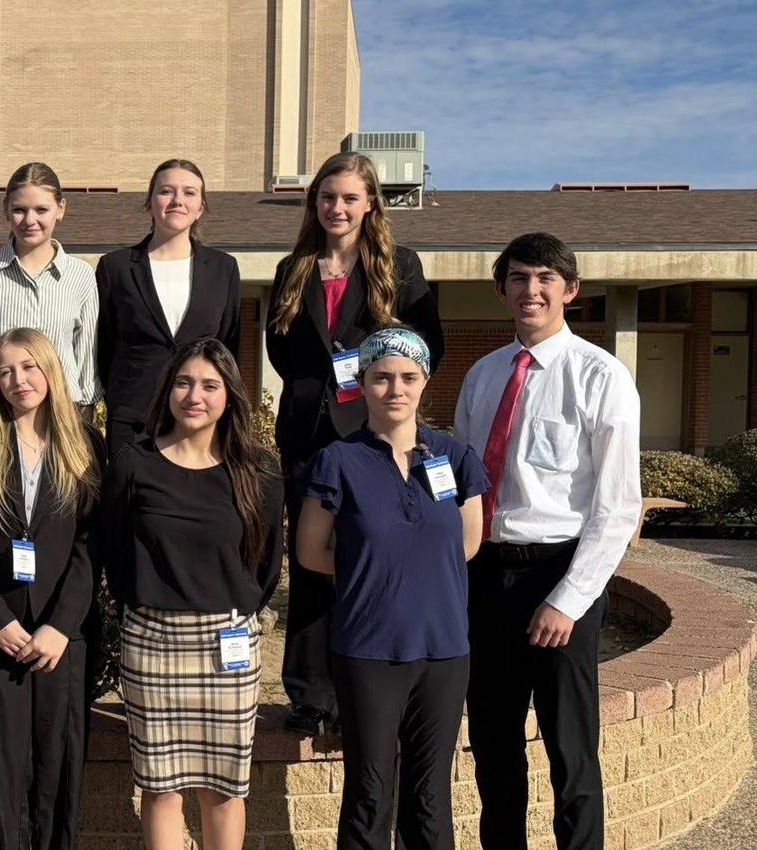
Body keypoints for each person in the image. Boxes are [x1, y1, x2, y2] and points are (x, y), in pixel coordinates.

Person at [454, 233, 641, 850]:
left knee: (570, 748)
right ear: (501, 288)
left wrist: (569, 599)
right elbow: (463, 484)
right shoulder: (483, 377)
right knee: (494, 743)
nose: (529, 291)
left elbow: (617, 508)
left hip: (559, 576)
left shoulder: (600, 376)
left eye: (543, 278)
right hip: (488, 577)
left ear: (570, 290)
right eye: (516, 278)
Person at [264, 151, 444, 737]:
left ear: (370, 203)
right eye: (326, 197)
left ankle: (360, 689)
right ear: (313, 203)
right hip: (308, 438)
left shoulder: (401, 266)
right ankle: (310, 695)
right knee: (311, 564)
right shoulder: (293, 268)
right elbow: (281, 352)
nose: (336, 207)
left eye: (348, 197)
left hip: (372, 436)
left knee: (366, 560)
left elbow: (426, 347)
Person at [294, 326, 487, 850]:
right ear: (364, 383)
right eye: (381, 377)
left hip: (445, 652)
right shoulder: (339, 460)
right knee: (369, 794)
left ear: (425, 381)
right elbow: (311, 551)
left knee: (430, 797)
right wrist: (372, 568)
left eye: (407, 377)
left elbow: (469, 543)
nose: (394, 389)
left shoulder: (455, 457)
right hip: (368, 651)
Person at [101, 338, 284, 850]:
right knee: (160, 788)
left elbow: (267, 562)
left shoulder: (259, 469)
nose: (194, 395)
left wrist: (239, 611)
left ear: (230, 393)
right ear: (168, 389)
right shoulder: (134, 463)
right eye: (184, 382)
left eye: (209, 384)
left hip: (227, 646)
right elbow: (114, 549)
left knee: (223, 789)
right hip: (153, 642)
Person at [0, 327, 103, 850]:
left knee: (59, 771)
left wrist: (61, 626)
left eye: (29, 367)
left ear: (50, 372)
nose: (19, 380)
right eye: (5, 371)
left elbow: (90, 547)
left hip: (63, 639)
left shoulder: (86, 445)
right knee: (4, 770)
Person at [96, 158, 242, 455]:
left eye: (189, 193)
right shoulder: (116, 267)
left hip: (198, 420)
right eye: (166, 191)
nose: (177, 200)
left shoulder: (223, 268)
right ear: (150, 203)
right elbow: (104, 347)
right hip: (133, 419)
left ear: (201, 207)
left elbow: (228, 349)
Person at [0, 162, 100, 433]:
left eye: (41, 209)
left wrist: (83, 435)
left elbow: (85, 367)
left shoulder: (81, 276)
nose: (30, 220)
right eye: (19, 210)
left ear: (61, 209)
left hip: (60, 418)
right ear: (6, 211)